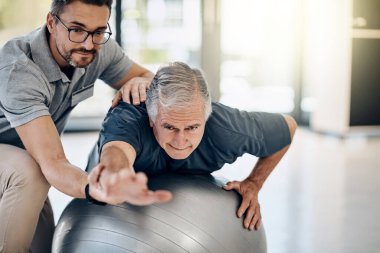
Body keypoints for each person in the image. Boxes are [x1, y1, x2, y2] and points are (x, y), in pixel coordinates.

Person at [0, 0, 170, 252]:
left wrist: (140, 82)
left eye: (99, 31)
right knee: (31, 173)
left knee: (43, 246)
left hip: (28, 157)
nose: (89, 43)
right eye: (77, 30)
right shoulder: (19, 71)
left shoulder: (100, 49)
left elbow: (149, 78)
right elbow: (54, 162)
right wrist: (97, 188)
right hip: (22, 162)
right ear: (51, 23)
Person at [92, 62, 297, 232]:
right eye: (169, 126)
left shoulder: (227, 128)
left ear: (206, 118)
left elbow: (288, 127)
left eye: (192, 127)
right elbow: (116, 152)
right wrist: (117, 174)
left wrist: (254, 183)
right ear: (151, 118)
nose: (180, 141)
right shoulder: (129, 117)